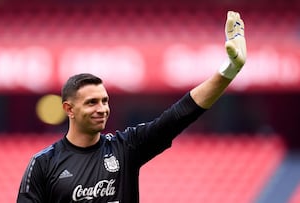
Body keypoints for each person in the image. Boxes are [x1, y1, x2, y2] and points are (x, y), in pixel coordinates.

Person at [17, 11, 246, 203]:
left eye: (105, 101)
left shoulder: (125, 148)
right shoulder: (43, 163)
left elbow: (180, 115)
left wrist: (227, 72)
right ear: (69, 109)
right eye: (91, 102)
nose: (102, 108)